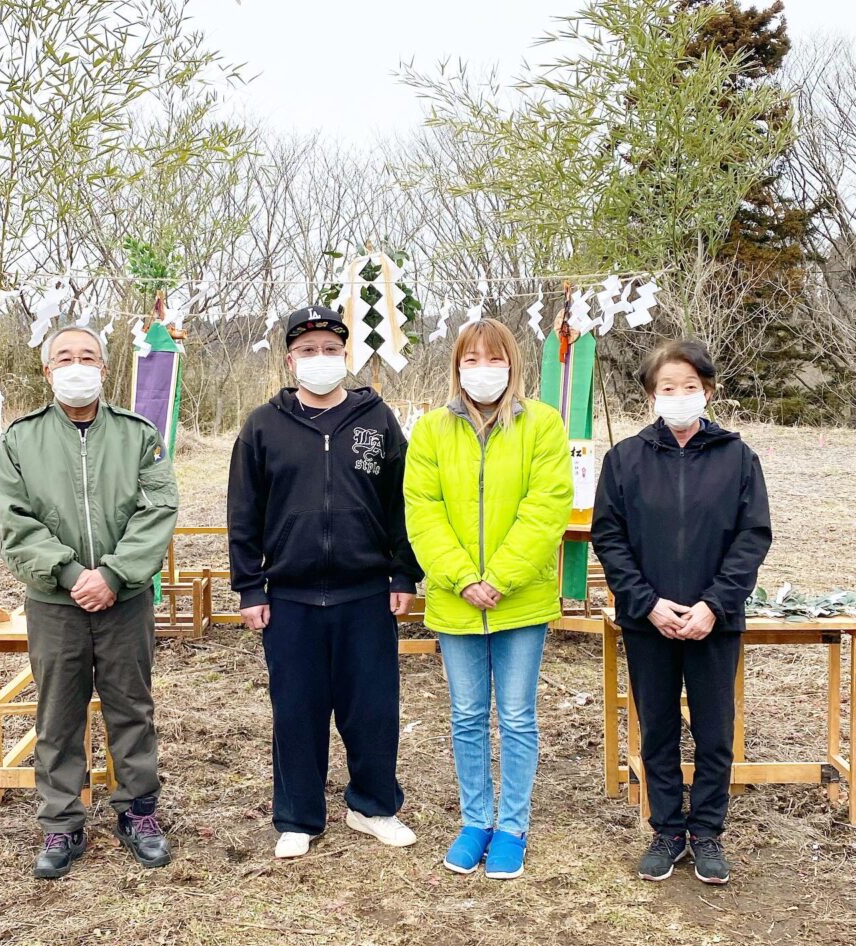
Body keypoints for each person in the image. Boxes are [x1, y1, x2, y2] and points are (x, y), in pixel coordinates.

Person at [228, 305, 423, 859]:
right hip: (289, 597)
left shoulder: (376, 420)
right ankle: (298, 816)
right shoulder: (263, 425)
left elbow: (400, 504)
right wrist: (250, 586)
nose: (320, 359)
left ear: (347, 355)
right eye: (308, 351)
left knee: (373, 707)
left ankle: (373, 805)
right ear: (291, 361)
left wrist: (403, 571)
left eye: (330, 350)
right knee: (296, 708)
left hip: (366, 593)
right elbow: (243, 511)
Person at [0, 326, 179, 879]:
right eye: (65, 358)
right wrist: (73, 574)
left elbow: (158, 508)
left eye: (88, 356)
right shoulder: (19, 441)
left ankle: (139, 812)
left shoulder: (137, 435)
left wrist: (115, 575)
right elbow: (14, 520)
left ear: (104, 366)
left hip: (125, 601)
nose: (78, 366)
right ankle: (61, 822)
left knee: (131, 708)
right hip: (55, 602)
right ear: (48, 372)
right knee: (58, 714)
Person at [591, 339, 771, 886]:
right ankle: (667, 828)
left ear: (708, 391)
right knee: (659, 726)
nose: (679, 396)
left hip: (715, 621)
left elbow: (752, 536)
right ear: (651, 395)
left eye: (689, 387)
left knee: (715, 729)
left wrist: (715, 605)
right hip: (650, 622)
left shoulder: (739, 458)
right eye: (667, 388)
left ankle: (708, 831)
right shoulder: (624, 459)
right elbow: (609, 536)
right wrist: (645, 604)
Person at [403, 317, 572, 880]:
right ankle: (476, 819)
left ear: (512, 365)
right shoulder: (430, 431)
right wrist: (458, 576)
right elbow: (422, 512)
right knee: (468, 715)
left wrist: (500, 576)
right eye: (470, 361)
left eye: (493, 360)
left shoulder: (543, 426)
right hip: (456, 602)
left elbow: (546, 507)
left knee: (518, 716)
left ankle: (513, 826)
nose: (483, 372)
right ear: (456, 368)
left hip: (518, 599)